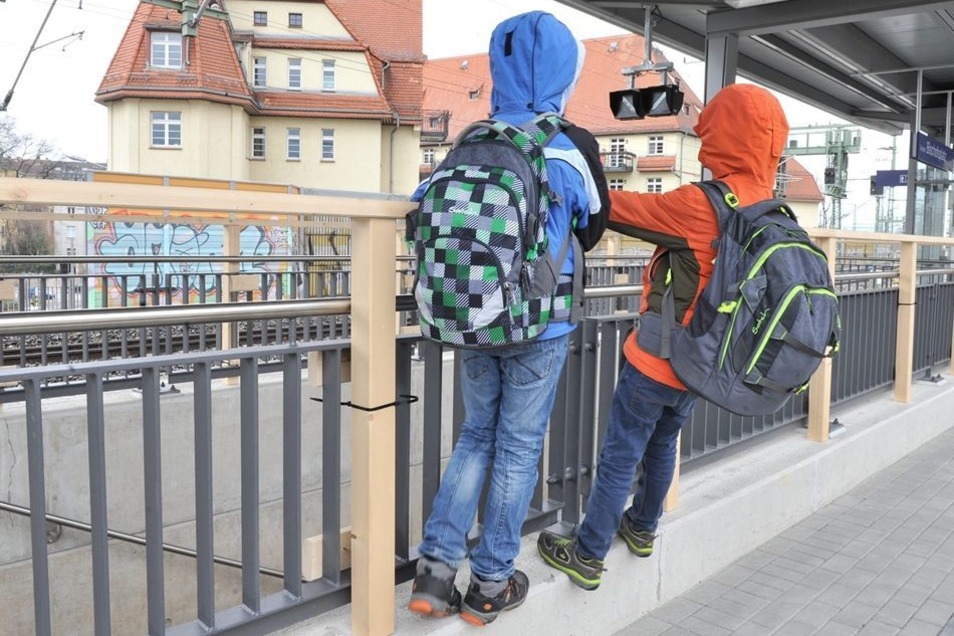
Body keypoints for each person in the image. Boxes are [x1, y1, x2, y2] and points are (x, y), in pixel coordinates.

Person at [537, 83, 791, 590]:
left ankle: (587, 554)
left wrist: (564, 171)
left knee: (621, 453)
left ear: (724, 137)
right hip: (705, 363)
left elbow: (616, 208)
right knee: (663, 443)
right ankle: (644, 527)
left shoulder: (701, 203)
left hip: (657, 359)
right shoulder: (770, 208)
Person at [408, 11, 609, 626]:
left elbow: (423, 208)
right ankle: (492, 582)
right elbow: (595, 226)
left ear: (497, 67)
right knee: (518, 448)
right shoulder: (571, 143)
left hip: (473, 314)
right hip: (539, 325)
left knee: (474, 436)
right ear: (564, 73)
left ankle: (436, 575)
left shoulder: (473, 138)